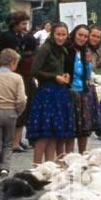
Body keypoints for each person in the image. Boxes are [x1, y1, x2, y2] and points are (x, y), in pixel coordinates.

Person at [26, 22, 74, 163]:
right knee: (44, 133)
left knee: (54, 133)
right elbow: (34, 71)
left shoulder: (62, 50)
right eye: (58, 34)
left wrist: (65, 75)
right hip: (46, 93)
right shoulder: (45, 48)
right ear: (52, 34)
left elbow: (58, 69)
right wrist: (54, 77)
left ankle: (49, 166)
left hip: (59, 93)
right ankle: (37, 166)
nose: (60, 37)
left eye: (63, 35)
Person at [0, 12, 39, 152]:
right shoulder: (9, 38)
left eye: (26, 23)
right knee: (18, 108)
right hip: (14, 75)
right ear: (14, 23)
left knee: (24, 108)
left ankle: (18, 140)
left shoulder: (20, 37)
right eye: (23, 24)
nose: (25, 27)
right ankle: (13, 142)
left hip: (23, 75)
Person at [0, 48, 27, 173]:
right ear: (13, 63)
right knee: (8, 143)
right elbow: (21, 99)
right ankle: (4, 168)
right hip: (10, 112)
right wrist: (18, 111)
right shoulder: (17, 78)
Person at [68, 24, 100, 154]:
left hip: (84, 90)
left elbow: (87, 74)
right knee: (71, 127)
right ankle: (68, 156)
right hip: (71, 90)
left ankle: (82, 154)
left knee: (84, 127)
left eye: (85, 36)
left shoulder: (86, 51)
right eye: (80, 35)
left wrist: (87, 63)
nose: (83, 38)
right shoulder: (71, 50)